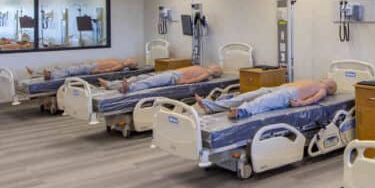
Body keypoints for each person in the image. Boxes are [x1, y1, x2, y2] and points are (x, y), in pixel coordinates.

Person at [194, 78, 337, 119]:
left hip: (289, 95)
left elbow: (314, 100)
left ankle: (241, 111)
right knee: (245, 96)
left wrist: (300, 103)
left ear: (330, 88)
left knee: (262, 102)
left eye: (329, 81)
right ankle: (211, 106)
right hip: (280, 88)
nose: (325, 78)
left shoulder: (322, 90)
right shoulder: (315, 81)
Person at [99, 64, 222, 94]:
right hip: (172, 73)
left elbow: (195, 80)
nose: (212, 65)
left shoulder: (206, 73)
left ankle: (129, 88)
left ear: (215, 71)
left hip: (174, 78)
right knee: (141, 77)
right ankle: (111, 85)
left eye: (215, 67)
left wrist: (183, 82)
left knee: (148, 82)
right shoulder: (203, 68)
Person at [37, 57, 139, 80]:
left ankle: (51, 75)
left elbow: (110, 70)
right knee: (71, 69)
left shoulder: (121, 66)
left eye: (130, 61)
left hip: (92, 68)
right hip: (92, 65)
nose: (128, 59)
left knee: (71, 70)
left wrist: (98, 71)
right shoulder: (121, 64)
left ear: (130, 64)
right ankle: (38, 73)